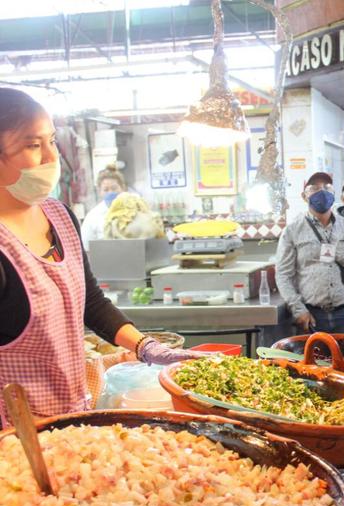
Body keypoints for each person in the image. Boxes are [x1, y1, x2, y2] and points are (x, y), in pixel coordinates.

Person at [0, 88, 199, 427]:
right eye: (33, 146)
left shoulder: (60, 216)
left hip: (75, 409)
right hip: (17, 432)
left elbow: (90, 302)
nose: (51, 157)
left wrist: (145, 347)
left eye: (52, 141)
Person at [275, 171, 344, 334]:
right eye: (315, 188)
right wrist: (298, 310)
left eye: (327, 187)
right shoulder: (292, 231)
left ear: (334, 194)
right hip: (312, 317)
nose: (322, 191)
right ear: (304, 196)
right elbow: (283, 275)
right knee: (314, 360)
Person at [80, 163, 127, 249]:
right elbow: (85, 248)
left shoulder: (133, 210)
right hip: (104, 261)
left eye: (114, 188)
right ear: (100, 192)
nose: (110, 192)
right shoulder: (93, 216)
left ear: (122, 188)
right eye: (106, 190)